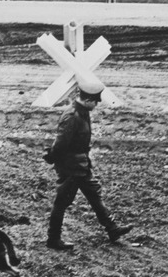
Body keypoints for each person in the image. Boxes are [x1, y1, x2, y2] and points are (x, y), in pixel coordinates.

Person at [44, 80, 133, 250]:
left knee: (94, 195)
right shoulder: (72, 117)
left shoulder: (82, 113)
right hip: (71, 168)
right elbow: (60, 145)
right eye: (96, 101)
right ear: (88, 100)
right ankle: (53, 239)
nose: (97, 104)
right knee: (61, 202)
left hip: (82, 166)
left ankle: (112, 229)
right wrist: (53, 157)